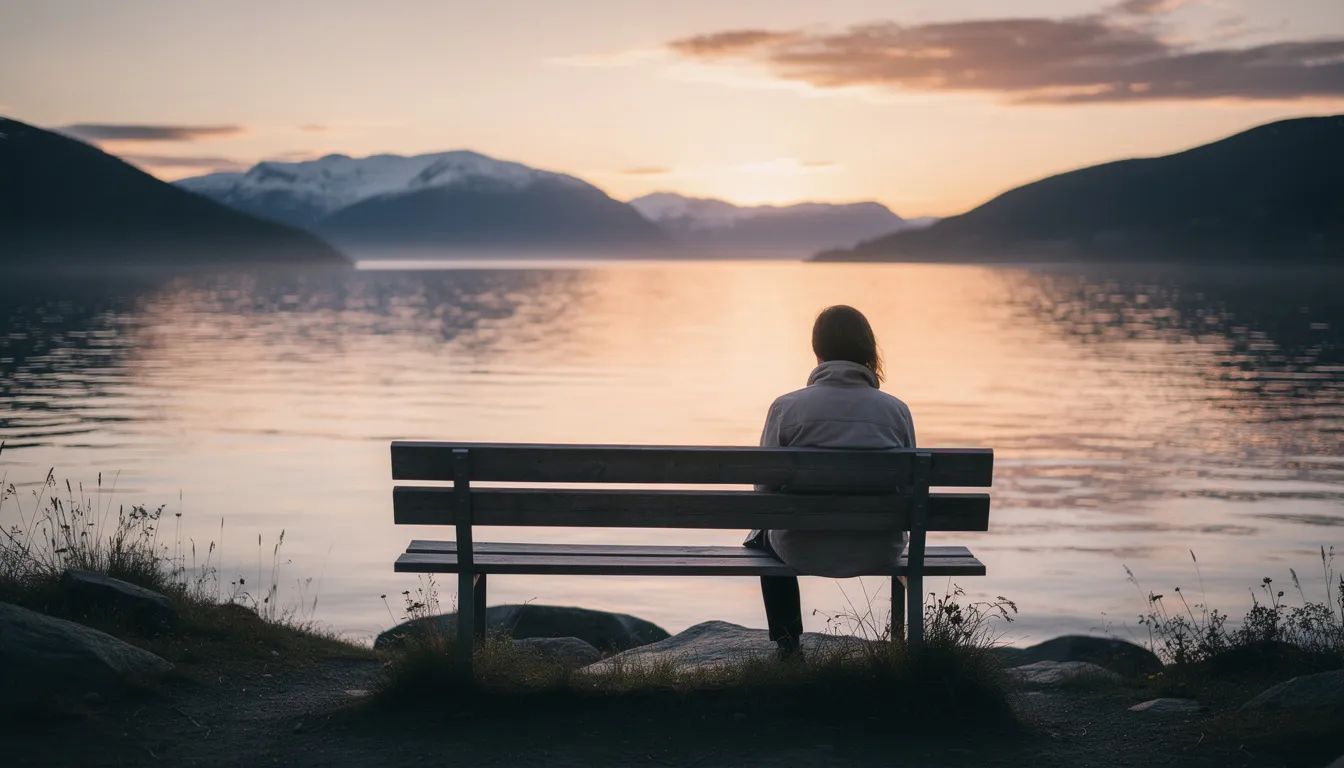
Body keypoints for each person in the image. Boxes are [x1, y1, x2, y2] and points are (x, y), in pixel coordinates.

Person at [746, 305, 916, 658]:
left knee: (760, 534)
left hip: (800, 547)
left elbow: (763, 494)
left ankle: (788, 645)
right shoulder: (895, 411)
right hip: (878, 547)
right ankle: (904, 648)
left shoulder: (786, 408)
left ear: (818, 350)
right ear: (868, 349)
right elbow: (910, 490)